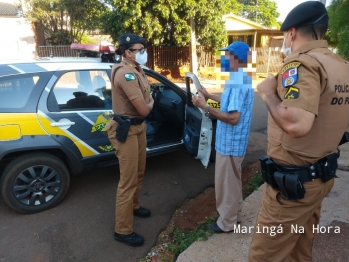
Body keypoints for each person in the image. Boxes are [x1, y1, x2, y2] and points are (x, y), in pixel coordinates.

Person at [248, 2, 349, 261]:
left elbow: (296, 124)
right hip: (320, 177)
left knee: (264, 256)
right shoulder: (341, 66)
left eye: (285, 35)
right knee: (298, 251)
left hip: (293, 188)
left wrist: (268, 93)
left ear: (291, 33)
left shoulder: (302, 65)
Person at [192, 41, 255, 233]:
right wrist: (209, 95)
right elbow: (229, 102)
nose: (223, 59)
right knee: (233, 181)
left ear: (236, 58)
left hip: (230, 144)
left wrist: (205, 107)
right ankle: (233, 214)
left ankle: (227, 223)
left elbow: (233, 118)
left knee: (226, 183)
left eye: (227, 55)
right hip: (233, 143)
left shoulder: (237, 83)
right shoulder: (239, 78)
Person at [106, 33, 154, 247]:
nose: (143, 53)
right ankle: (122, 230)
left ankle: (134, 206)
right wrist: (151, 104)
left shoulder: (137, 69)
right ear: (127, 52)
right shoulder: (125, 73)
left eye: (143, 49)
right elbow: (145, 108)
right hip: (126, 129)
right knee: (127, 181)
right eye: (139, 50)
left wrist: (148, 103)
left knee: (139, 172)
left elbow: (146, 99)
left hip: (138, 128)